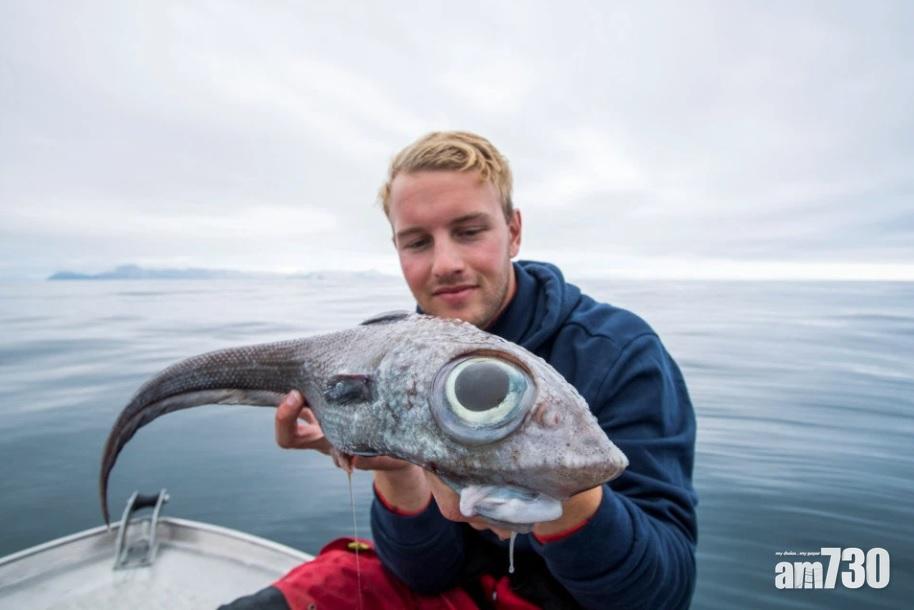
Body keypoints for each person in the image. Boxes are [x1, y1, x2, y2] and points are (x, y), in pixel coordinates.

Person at [222, 132, 697, 609]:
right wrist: (397, 466)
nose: (445, 264)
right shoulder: (389, 368)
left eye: (469, 232)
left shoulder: (619, 352)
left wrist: (560, 487)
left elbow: (660, 595)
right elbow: (424, 574)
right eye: (417, 242)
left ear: (513, 231)